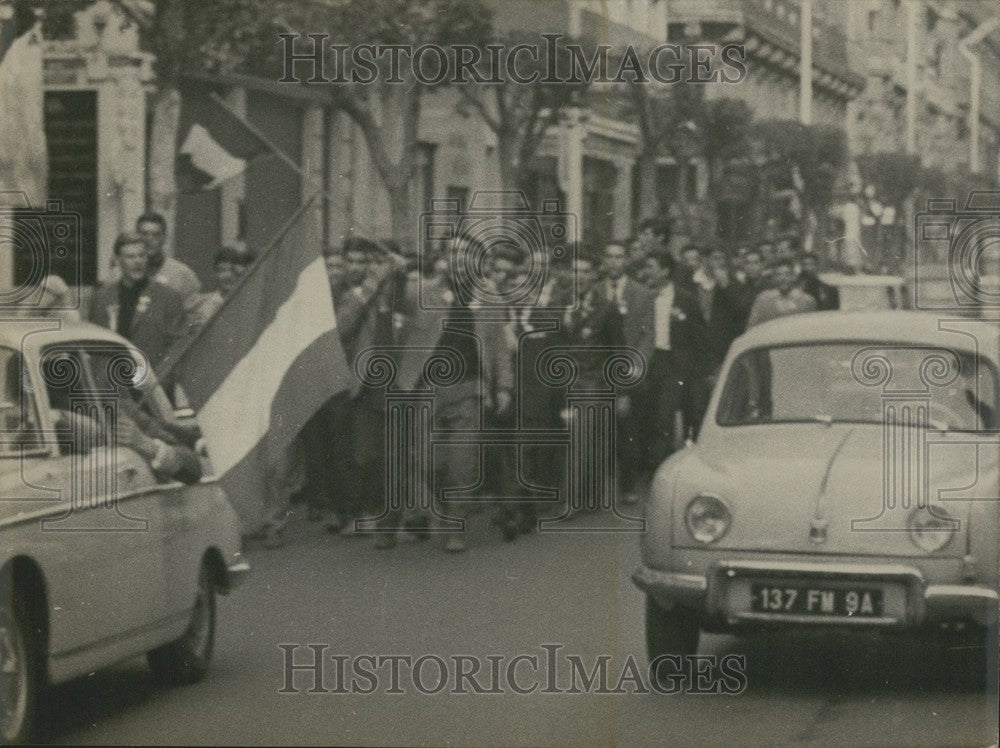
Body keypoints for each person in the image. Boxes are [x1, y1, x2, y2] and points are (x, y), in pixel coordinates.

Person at [640, 249, 706, 468]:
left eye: (651, 267)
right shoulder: (643, 295)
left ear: (665, 271)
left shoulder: (685, 299)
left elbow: (698, 335)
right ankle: (646, 467)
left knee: (664, 418)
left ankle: (660, 469)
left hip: (673, 364)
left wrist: (692, 368)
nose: (647, 272)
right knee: (646, 414)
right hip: (648, 361)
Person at [600, 242, 654, 506]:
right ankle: (596, 484)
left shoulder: (641, 293)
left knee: (628, 429)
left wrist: (635, 366)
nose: (613, 262)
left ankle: (628, 485)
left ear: (625, 262)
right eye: (609, 257)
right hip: (599, 369)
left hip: (628, 366)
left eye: (618, 257)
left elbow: (647, 336)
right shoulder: (595, 291)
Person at [89, 232, 186, 374]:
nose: (137, 262)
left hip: (151, 385)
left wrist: (159, 383)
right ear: (118, 260)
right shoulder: (102, 297)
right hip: (112, 387)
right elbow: (93, 346)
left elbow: (177, 347)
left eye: (142, 255)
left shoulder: (167, 297)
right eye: (130, 257)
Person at [746, 257, 817, 328]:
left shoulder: (806, 300)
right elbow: (751, 328)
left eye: (787, 274)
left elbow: (811, 329)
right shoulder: (763, 300)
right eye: (778, 274)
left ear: (794, 277)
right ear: (773, 278)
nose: (783, 278)